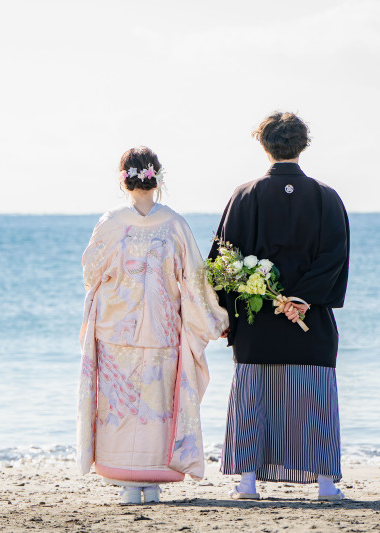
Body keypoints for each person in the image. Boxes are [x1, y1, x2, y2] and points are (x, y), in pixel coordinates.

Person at [210, 112, 350, 501]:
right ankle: (325, 484)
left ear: (264, 145)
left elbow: (224, 261)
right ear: (302, 145)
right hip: (311, 317)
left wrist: (225, 313)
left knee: (254, 397)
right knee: (315, 398)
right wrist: (302, 298)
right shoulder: (326, 196)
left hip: (257, 318)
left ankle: (247, 482)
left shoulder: (244, 195)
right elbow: (334, 256)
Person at [77, 146, 229, 505]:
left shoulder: (111, 222)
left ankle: (128, 484)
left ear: (124, 180)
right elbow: (194, 277)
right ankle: (153, 482)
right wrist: (214, 318)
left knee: (120, 401)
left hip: (116, 327)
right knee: (156, 402)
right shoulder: (174, 223)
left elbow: (90, 273)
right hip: (162, 327)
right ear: (157, 178)